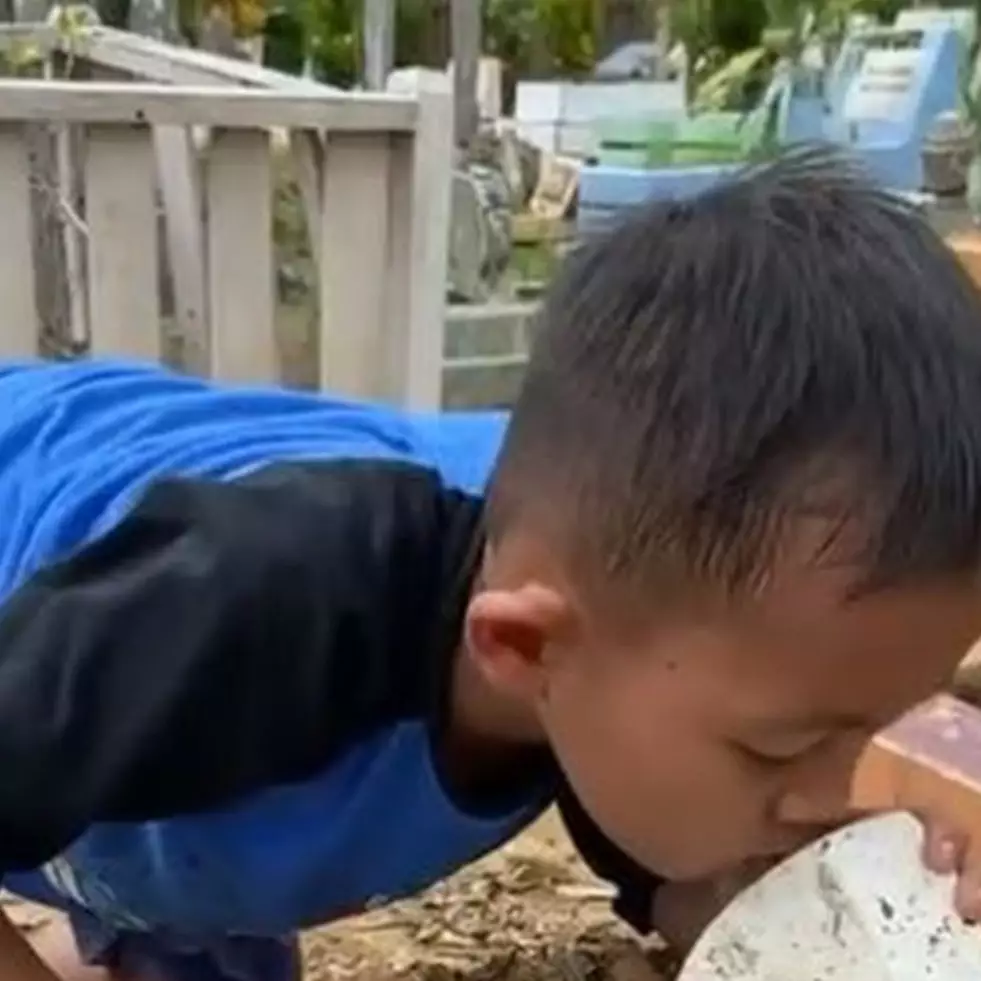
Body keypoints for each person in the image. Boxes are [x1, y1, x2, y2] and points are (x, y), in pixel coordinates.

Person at [1, 144, 981, 981]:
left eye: (890, 727)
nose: (848, 791)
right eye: (778, 750)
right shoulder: (251, 604)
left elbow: (705, 878)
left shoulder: (653, 596)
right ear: (521, 646)